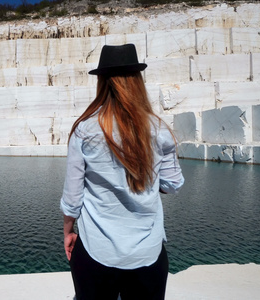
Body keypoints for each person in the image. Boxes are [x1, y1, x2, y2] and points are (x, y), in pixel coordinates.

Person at [60, 44, 184, 300]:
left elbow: (73, 198)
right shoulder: (159, 128)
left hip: (96, 251)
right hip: (147, 253)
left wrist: (68, 232)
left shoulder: (84, 129)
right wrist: (146, 180)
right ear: (137, 80)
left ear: (102, 82)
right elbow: (173, 184)